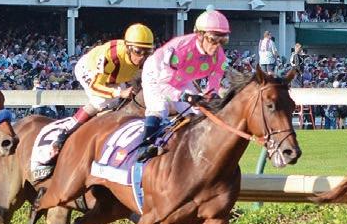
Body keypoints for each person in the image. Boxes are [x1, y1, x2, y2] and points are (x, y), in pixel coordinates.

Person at [40, 24, 155, 167]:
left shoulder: (145, 59)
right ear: (128, 48)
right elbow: (96, 86)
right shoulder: (111, 56)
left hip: (116, 75)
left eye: (147, 52)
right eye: (138, 52)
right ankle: (65, 133)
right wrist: (120, 93)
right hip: (89, 71)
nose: (143, 57)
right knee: (102, 100)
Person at [135, 9, 229, 162]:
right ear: (200, 35)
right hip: (157, 74)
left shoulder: (219, 56)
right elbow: (164, 85)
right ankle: (144, 147)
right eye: (213, 40)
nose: (217, 46)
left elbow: (214, 82)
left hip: (181, 78)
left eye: (223, 41)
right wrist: (186, 96)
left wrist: (210, 95)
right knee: (159, 108)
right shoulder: (180, 49)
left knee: (199, 112)